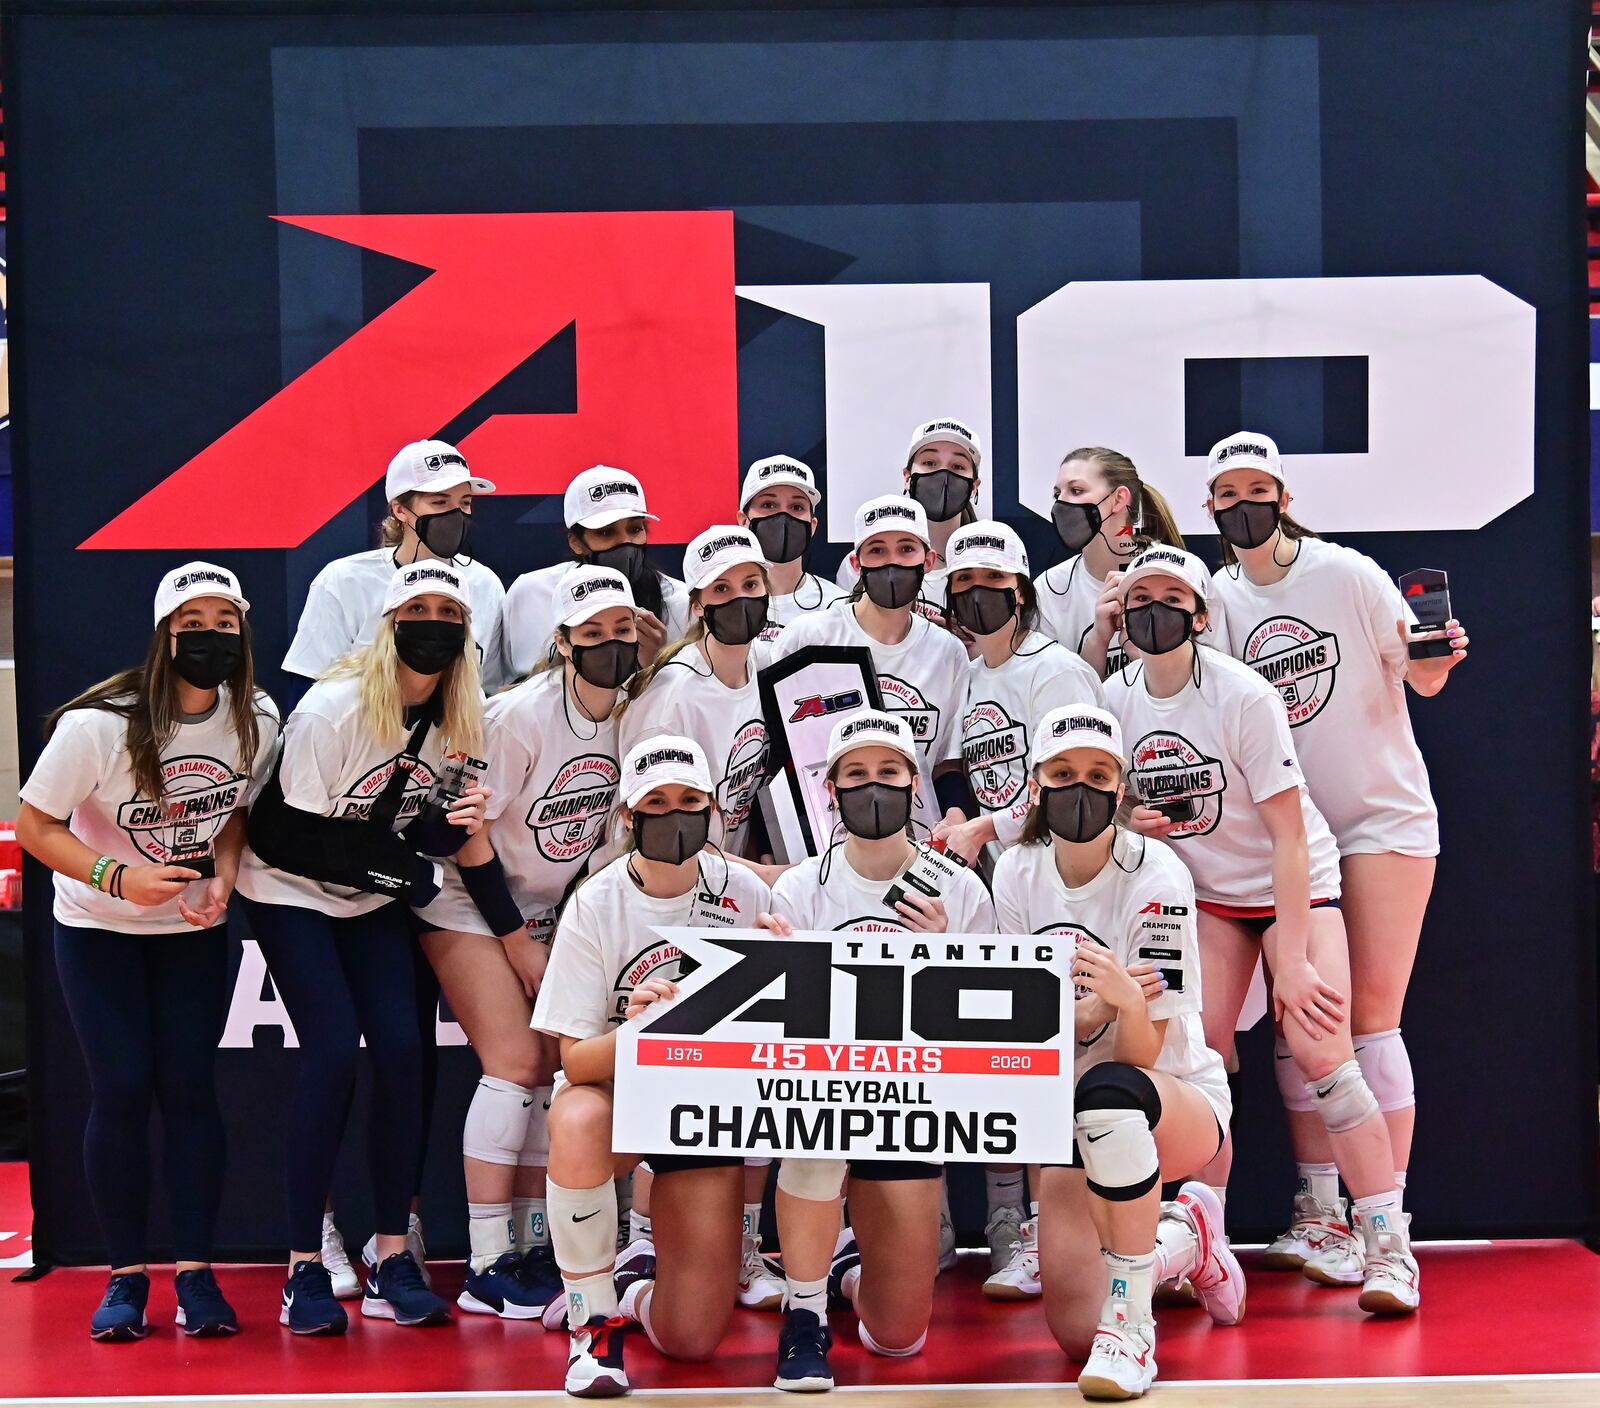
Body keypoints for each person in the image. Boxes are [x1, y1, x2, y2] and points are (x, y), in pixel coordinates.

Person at [1103, 546, 1419, 1315]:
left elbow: (1288, 836)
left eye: (1170, 597)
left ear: (1200, 615)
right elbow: (1104, 803)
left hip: (1292, 887)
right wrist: (1126, 815)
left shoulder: (1241, 692)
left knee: (1322, 1046)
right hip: (1206, 899)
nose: (1154, 610)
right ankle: (1200, 1237)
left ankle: (1388, 1246)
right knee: (1195, 1061)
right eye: (1140, 596)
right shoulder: (1114, 697)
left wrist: (1297, 956)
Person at [1202, 431, 1468, 1282]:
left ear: (1283, 494)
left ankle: (1384, 1218)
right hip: (1289, 838)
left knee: (1370, 1021)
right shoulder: (1216, 593)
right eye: (1227, 492)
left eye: (1257, 488)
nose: (1243, 504)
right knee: (1304, 1018)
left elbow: (1421, 679)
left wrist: (1437, 655)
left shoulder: (1349, 573)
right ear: (1210, 506)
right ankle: (1320, 1214)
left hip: (1381, 819)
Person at [18, 563, 278, 1341]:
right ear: (166, 636)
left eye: (224, 624)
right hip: (98, 929)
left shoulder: (255, 718)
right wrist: (116, 875)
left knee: (192, 1091)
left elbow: (231, 812)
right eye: (193, 624)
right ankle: (125, 1277)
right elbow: (36, 825)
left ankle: (196, 1276)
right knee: (123, 1088)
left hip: (189, 933)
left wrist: (223, 877)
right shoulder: (99, 724)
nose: (210, 637)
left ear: (243, 633)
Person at [238, 562, 489, 1334]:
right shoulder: (337, 706)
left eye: (450, 609)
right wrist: (403, 869)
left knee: (406, 1055)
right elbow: (287, 834)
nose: (435, 621)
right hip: (287, 887)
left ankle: (390, 1254)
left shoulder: (461, 713)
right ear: (388, 622)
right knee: (332, 1055)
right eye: (419, 607)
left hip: (370, 891)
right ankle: (303, 1268)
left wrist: (451, 827)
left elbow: (413, 825)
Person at [411, 564, 644, 1322]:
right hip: (470, 902)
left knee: (554, 1066)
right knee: (514, 1063)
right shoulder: (515, 715)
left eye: (623, 630)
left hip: (552, 911)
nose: (612, 644)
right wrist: (515, 941)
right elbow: (460, 833)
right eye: (594, 633)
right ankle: (484, 1263)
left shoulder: (636, 713)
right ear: (563, 642)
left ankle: (531, 1243)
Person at [991, 705, 1243, 1400]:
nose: (1082, 788)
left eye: (1099, 775)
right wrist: (1088, 1010)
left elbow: (1145, 1051)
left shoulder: (1156, 875)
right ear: (1036, 785)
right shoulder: (1015, 873)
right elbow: (1025, 1027)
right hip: (1069, 1110)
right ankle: (1187, 1239)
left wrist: (1124, 1007)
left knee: (1110, 1088)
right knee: (1074, 1331)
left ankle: (1132, 1329)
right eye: (1064, 773)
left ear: (1121, 786)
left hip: (1173, 1098)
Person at [758, 710, 996, 1392]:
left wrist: (949, 959)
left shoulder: (960, 889)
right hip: (825, 1097)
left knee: (898, 1338)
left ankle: (843, 1268)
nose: (872, 786)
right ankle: (804, 1317)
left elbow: (984, 1035)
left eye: (887, 772)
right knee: (814, 1127)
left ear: (913, 783)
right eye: (855, 774)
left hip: (912, 1106)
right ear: (829, 790)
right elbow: (776, 1032)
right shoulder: (798, 889)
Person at [532, 736, 774, 1397]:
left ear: (713, 808)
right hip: (619, 1093)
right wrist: (643, 1030)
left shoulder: (748, 893)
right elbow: (576, 1062)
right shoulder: (595, 901)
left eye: (689, 801)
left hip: (704, 1109)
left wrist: (783, 974)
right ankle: (592, 1329)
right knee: (575, 1116)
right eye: (656, 804)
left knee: (693, 1340)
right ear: (628, 818)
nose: (675, 814)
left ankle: (632, 1292)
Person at [775, 496, 971, 839]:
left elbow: (947, 761)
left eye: (906, 549)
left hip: (918, 847)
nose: (892, 562)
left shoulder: (948, 652)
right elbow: (777, 757)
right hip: (827, 846)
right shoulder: (808, 638)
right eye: (877, 550)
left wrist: (956, 814)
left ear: (927, 561)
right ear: (856, 562)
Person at [283, 438, 507, 689]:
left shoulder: (486, 584)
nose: (456, 515)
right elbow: (307, 687)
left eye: (465, 502)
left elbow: (489, 692)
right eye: (440, 502)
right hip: (364, 727)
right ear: (400, 510)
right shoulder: (344, 580)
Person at [618, 525, 774, 862]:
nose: (741, 600)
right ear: (698, 605)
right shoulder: (670, 698)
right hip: (666, 877)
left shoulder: (766, 662)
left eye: (750, 585)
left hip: (724, 874)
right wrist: (757, 875)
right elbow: (658, 832)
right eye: (721, 589)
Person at [501, 465, 690, 680]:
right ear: (576, 542)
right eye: (606, 532)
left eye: (635, 529)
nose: (625, 543)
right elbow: (509, 688)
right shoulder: (531, 594)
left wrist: (658, 663)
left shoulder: (679, 603)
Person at [1034, 446, 1200, 677]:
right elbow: (1058, 695)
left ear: (1118, 499)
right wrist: (1097, 642)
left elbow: (1205, 680)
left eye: (1076, 490)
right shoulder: (1049, 589)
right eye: (1057, 494)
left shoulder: (1180, 571)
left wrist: (1145, 655)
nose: (1060, 503)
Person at [835, 418, 984, 618]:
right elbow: (844, 634)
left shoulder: (989, 565)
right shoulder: (861, 564)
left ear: (974, 486)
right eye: (930, 463)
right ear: (907, 477)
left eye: (957, 466)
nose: (943, 475)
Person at [736, 455, 845, 644]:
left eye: (796, 507)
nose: (783, 516)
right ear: (744, 521)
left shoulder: (838, 605)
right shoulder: (719, 603)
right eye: (768, 505)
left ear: (812, 525)